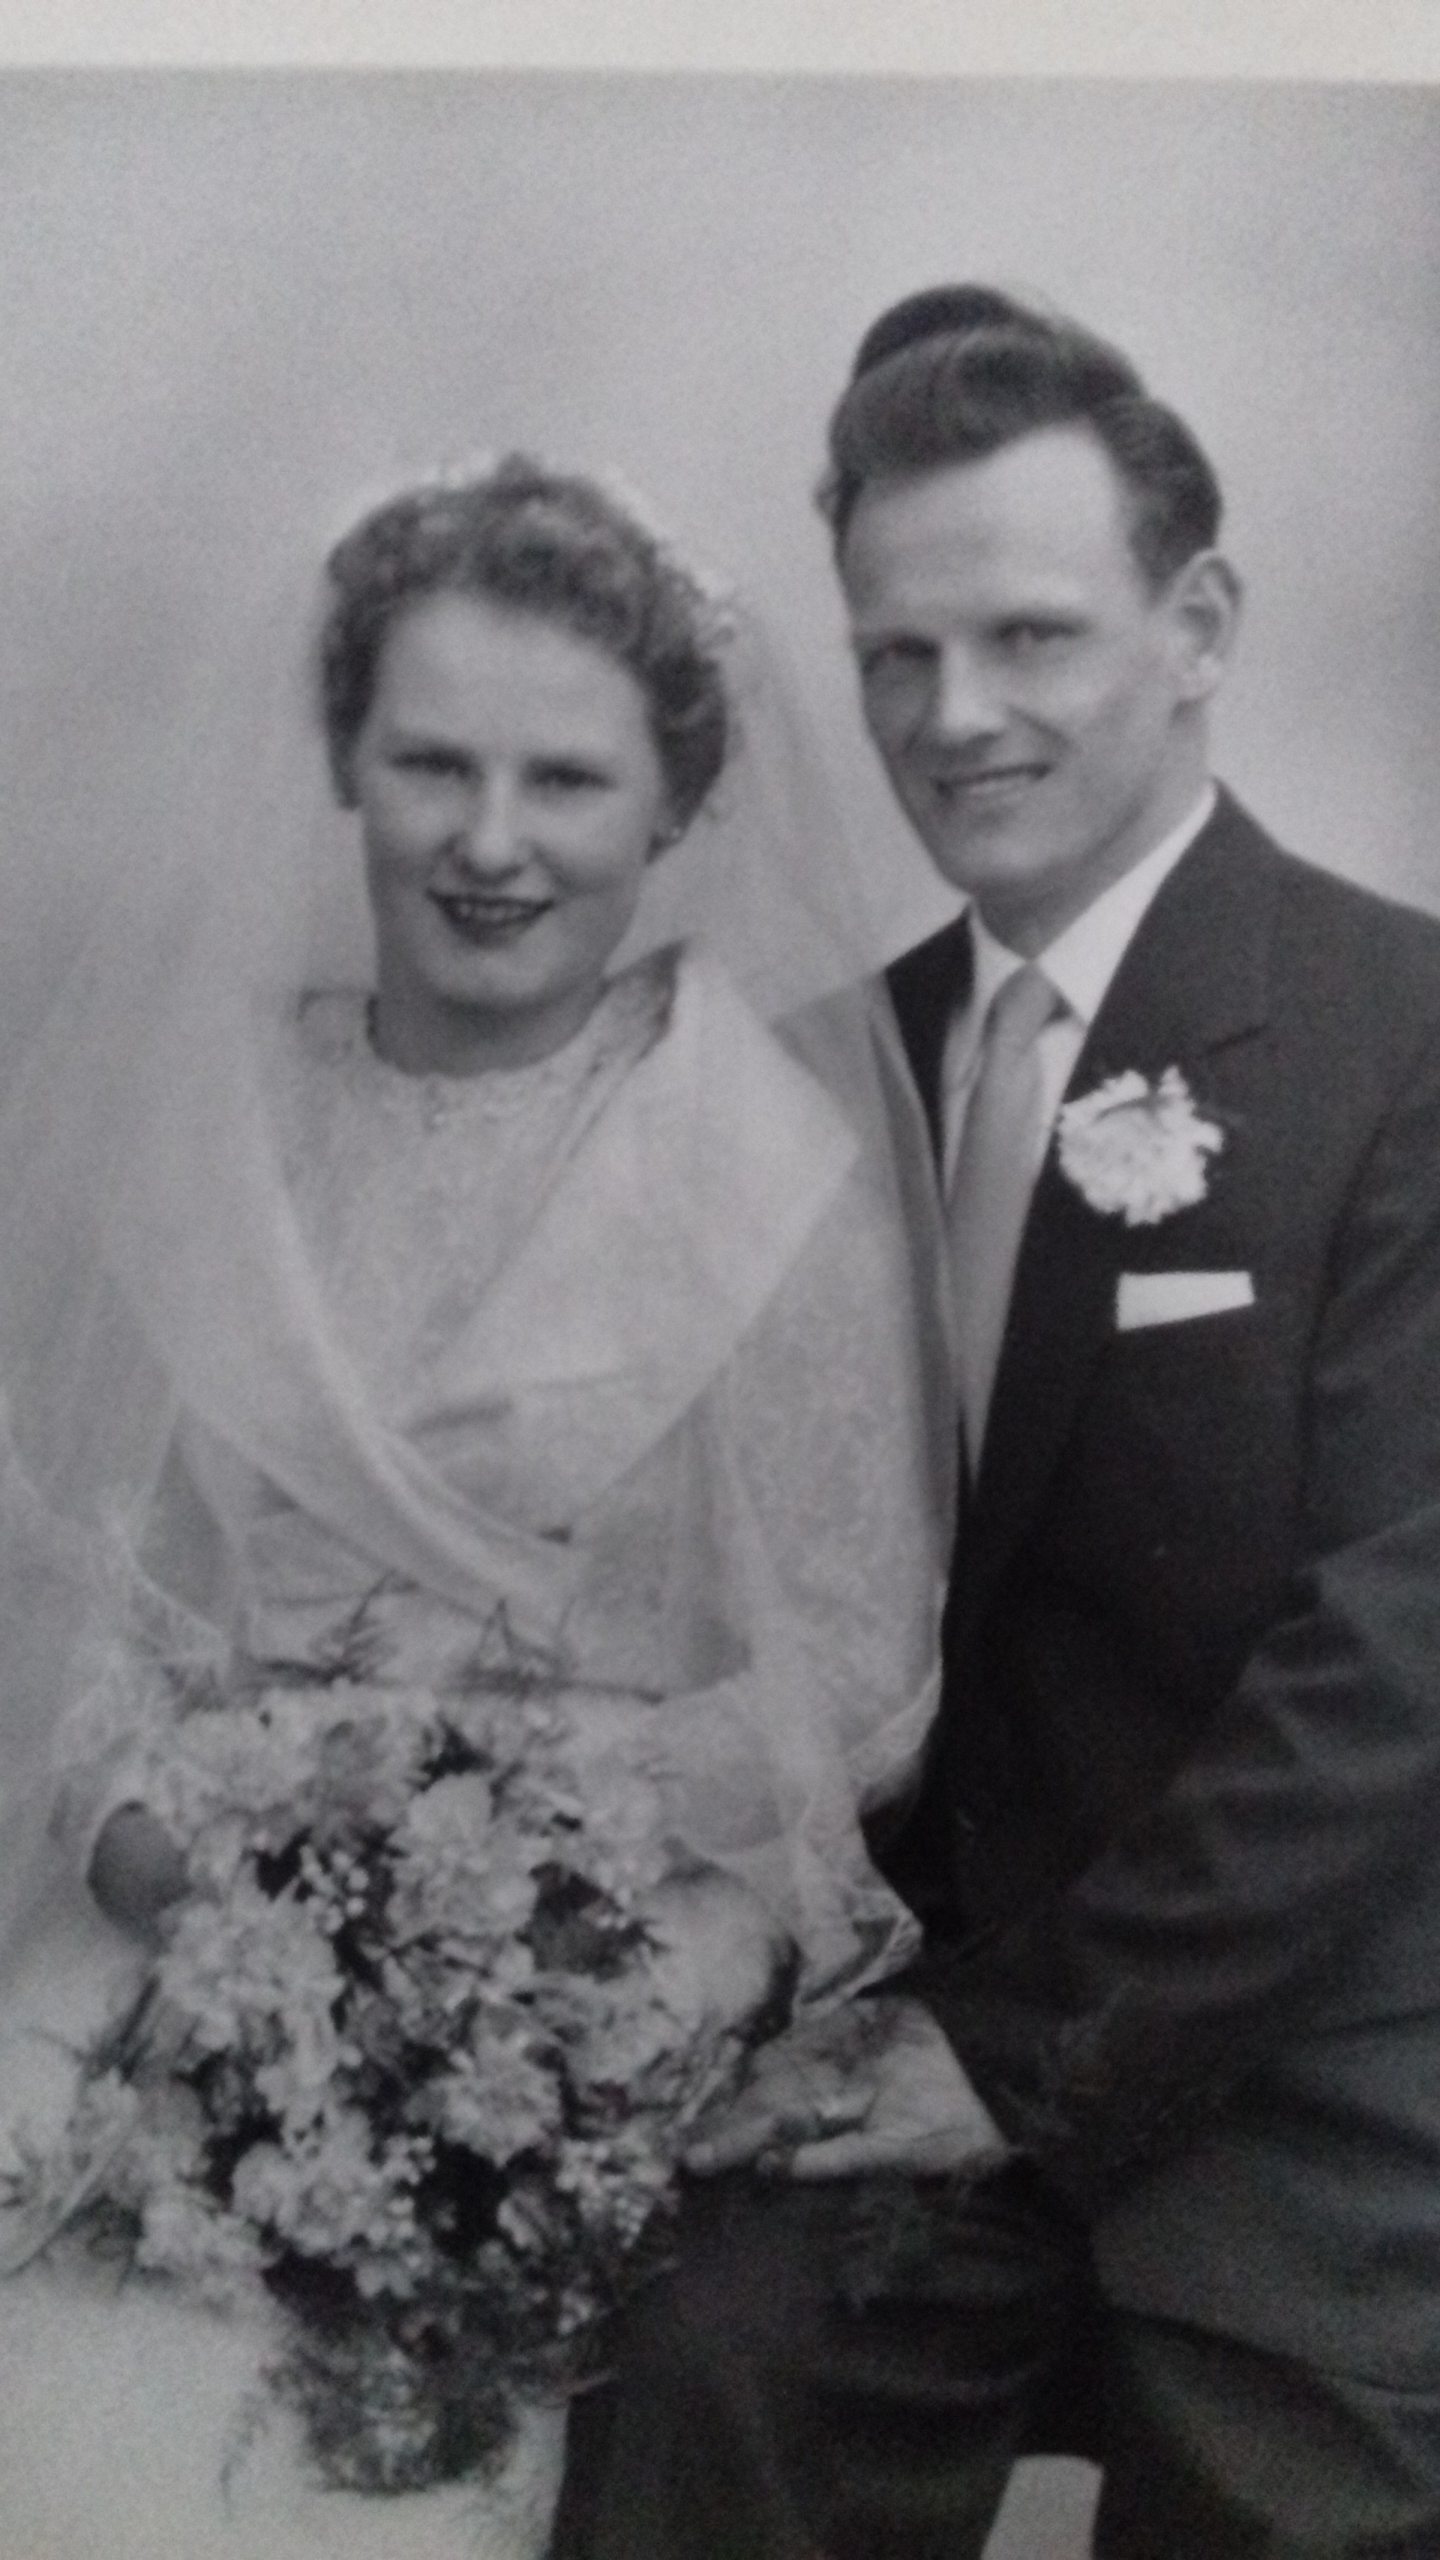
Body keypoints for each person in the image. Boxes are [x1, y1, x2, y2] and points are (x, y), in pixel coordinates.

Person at [551, 291, 1440, 2559]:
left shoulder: (1401, 1033)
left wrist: (1023, 2052)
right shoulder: (811, 1067)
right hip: (889, 2056)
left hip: (1308, 2086)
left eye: (1031, 636)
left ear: (1200, 620)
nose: (957, 719)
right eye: (895, 654)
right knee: (664, 2393)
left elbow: (1393, 1671)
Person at [0, 457, 948, 2558]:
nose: (491, 842)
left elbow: (861, 1672)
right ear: (345, 761)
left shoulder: (753, 1166)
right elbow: (95, 1620)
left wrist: (487, 1882)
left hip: (578, 1970)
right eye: (432, 762)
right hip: (187, 1918)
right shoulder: (219, 1133)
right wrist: (201, 1879)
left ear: (674, 807)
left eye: (566, 780)